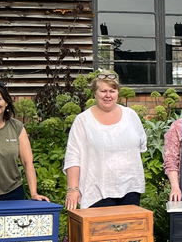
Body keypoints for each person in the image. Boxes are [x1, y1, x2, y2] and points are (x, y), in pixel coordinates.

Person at [63, 71, 147, 210]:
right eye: (103, 91)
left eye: (112, 91)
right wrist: (72, 189)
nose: (108, 95)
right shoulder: (83, 120)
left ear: (118, 93)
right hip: (97, 191)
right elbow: (73, 156)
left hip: (130, 188)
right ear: (95, 93)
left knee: (128, 231)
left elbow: (141, 147)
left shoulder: (131, 115)